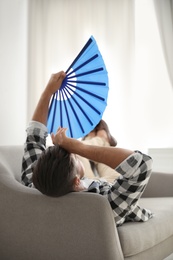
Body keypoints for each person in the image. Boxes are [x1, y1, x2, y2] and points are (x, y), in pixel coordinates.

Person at [21, 71, 153, 226]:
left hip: (79, 181)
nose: (74, 152)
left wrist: (49, 91)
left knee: (77, 164)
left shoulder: (35, 184)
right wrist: (79, 147)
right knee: (98, 154)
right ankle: (99, 139)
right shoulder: (105, 205)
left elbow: (34, 137)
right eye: (74, 155)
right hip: (107, 184)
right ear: (77, 182)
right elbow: (141, 164)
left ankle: (96, 139)